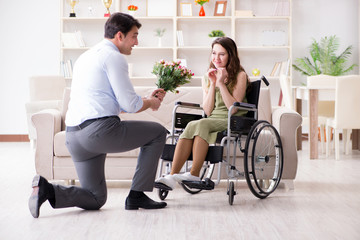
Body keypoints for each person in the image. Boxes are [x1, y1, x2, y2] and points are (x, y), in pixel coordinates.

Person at [28, 12, 168, 218]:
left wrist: (145, 99)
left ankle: (47, 189)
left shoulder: (86, 56)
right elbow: (130, 105)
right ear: (119, 36)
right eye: (134, 36)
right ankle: (137, 195)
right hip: (98, 132)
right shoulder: (114, 57)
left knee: (95, 198)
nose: (136, 42)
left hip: (74, 137)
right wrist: (151, 103)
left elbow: (106, 101)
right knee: (157, 132)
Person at [155, 37, 249, 190]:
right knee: (195, 124)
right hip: (213, 119)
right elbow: (207, 110)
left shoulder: (240, 75)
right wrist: (212, 83)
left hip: (233, 120)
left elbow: (234, 107)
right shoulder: (207, 76)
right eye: (214, 53)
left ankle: (194, 173)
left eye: (222, 54)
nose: (216, 58)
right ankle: (172, 176)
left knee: (201, 124)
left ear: (231, 55)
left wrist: (221, 83)